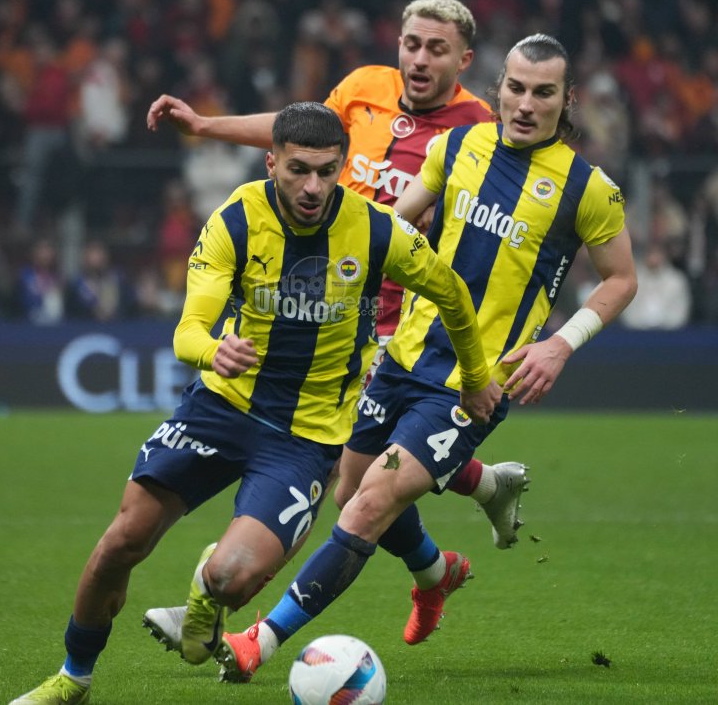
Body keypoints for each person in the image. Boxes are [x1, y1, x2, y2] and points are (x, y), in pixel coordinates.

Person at [9, 101, 499, 705]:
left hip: (304, 438)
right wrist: (212, 350)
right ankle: (73, 678)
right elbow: (188, 331)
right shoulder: (236, 220)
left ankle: (207, 592)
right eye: (298, 170)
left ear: (342, 167)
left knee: (231, 580)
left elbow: (451, 292)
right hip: (220, 408)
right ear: (271, 163)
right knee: (122, 542)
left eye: (327, 171)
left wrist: (475, 376)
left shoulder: (377, 230)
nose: (313, 186)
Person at [214, 34, 638, 683]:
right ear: (499, 89)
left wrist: (561, 343)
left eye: (543, 92)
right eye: (517, 88)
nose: (526, 104)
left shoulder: (587, 188)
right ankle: (437, 573)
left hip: (473, 382)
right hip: (402, 354)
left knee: (367, 505)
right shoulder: (456, 148)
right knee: (349, 488)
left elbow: (621, 279)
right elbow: (391, 228)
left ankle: (260, 641)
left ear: (566, 99)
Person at [146, 0, 529, 554]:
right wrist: (205, 125)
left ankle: (247, 567)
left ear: (464, 60)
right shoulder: (363, 86)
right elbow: (296, 135)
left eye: (436, 49)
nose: (420, 59)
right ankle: (473, 506)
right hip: (325, 299)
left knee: (345, 473)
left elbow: (492, 223)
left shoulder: (479, 128)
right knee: (354, 470)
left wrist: (446, 218)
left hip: (397, 315)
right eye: (412, 44)